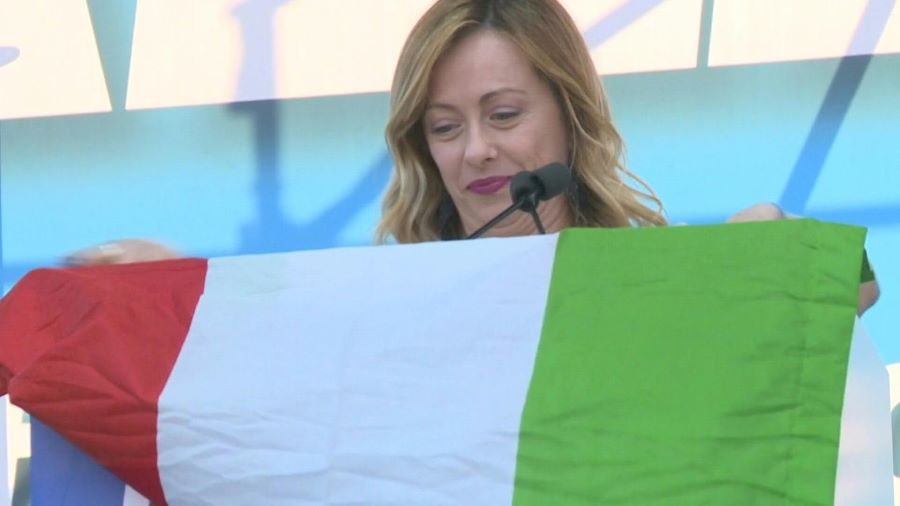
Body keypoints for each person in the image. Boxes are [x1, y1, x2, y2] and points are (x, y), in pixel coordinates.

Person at [65, 0, 878, 313]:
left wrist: (774, 252)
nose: (477, 150)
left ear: (572, 116)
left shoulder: (660, 283)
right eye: (444, 127)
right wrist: (176, 295)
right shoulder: (386, 309)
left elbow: (856, 288)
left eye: (504, 114)